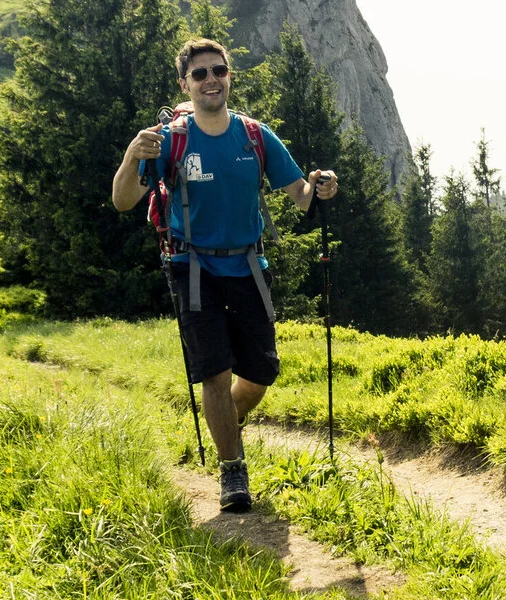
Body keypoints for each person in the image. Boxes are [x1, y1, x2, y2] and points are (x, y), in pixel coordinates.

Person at [109, 38, 340, 513]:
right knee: (214, 372)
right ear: (185, 83)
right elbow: (122, 200)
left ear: (229, 75)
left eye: (218, 70)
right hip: (191, 267)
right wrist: (132, 157)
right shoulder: (169, 140)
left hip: (249, 266)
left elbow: (299, 195)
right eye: (200, 74)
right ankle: (232, 470)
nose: (210, 79)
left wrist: (322, 187)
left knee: (258, 376)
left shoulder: (255, 136)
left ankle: (221, 434)